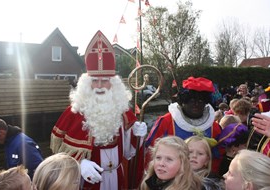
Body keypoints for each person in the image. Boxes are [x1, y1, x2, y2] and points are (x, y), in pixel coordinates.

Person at [50, 30, 147, 190]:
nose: (100, 85)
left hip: (117, 177)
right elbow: (58, 153)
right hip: (88, 181)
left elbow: (130, 153)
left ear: (113, 84)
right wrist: (79, 164)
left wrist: (138, 136)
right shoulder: (73, 112)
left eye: (105, 80)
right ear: (87, 83)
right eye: (95, 80)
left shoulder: (122, 111)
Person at [145, 76, 222, 173]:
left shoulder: (213, 127)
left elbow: (217, 158)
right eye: (191, 101)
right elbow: (151, 152)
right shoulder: (166, 122)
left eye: (200, 101)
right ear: (183, 102)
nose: (196, 104)